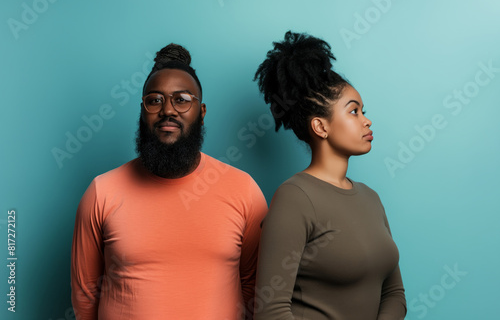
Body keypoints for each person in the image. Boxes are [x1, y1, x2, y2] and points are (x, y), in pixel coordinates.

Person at [71, 43, 268, 320]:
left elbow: (253, 287)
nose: (168, 110)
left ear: (202, 112)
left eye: (182, 99)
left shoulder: (243, 190)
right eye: (155, 100)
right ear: (142, 111)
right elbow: (85, 296)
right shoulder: (102, 192)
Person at [252, 31, 407, 320]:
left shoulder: (371, 199)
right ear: (321, 127)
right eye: (354, 111)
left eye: (363, 111)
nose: (366, 120)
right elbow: (271, 311)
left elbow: (394, 293)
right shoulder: (294, 198)